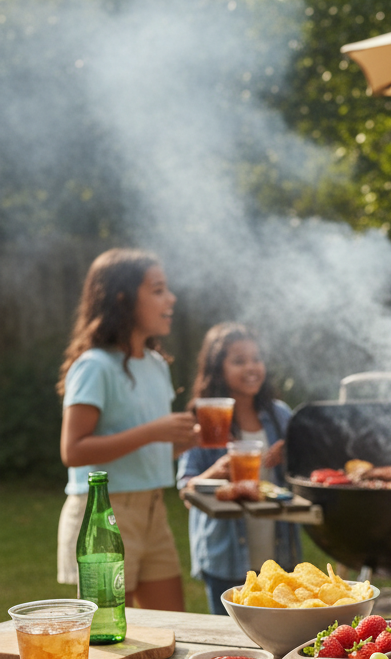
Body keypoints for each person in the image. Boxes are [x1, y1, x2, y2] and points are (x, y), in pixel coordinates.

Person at [56, 249, 197, 610]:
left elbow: (145, 451)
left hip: (153, 510)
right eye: (158, 290)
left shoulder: (155, 364)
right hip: (104, 514)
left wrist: (184, 442)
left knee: (170, 628)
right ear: (122, 298)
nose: (171, 298)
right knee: (107, 638)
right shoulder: (95, 366)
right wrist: (153, 431)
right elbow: (73, 450)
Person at [176, 323, 302, 615]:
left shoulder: (279, 414)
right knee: (230, 640)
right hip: (226, 553)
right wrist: (219, 470)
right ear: (218, 369)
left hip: (277, 547)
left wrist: (293, 456)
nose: (251, 367)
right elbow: (186, 490)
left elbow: (305, 477)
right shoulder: (207, 418)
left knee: (279, 637)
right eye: (238, 360)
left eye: (256, 358)